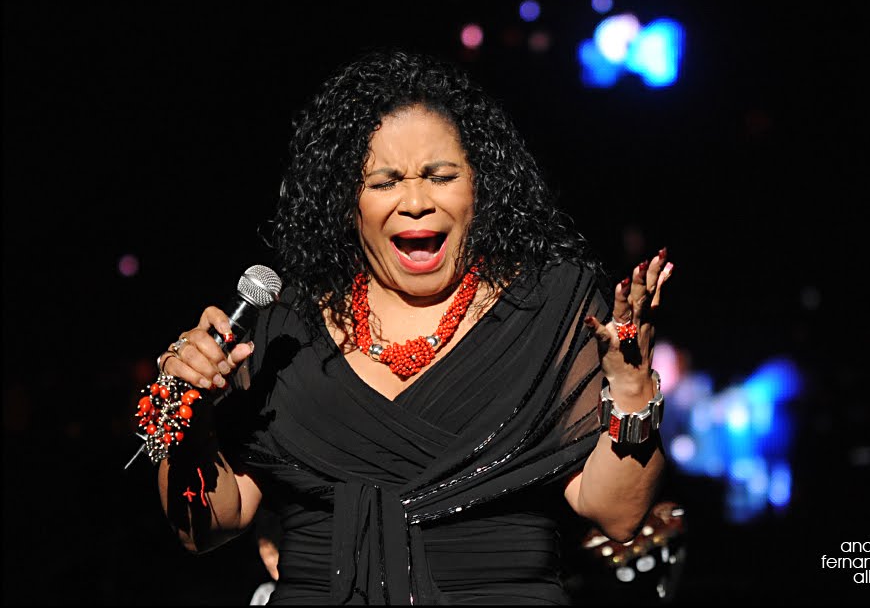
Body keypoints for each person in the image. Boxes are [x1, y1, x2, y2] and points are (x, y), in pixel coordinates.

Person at [140, 48, 674, 605]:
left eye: (440, 177)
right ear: (347, 200)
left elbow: (618, 514)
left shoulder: (551, 310)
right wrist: (187, 416)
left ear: (480, 186)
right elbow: (204, 529)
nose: (415, 202)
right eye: (384, 182)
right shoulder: (283, 330)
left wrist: (632, 385)